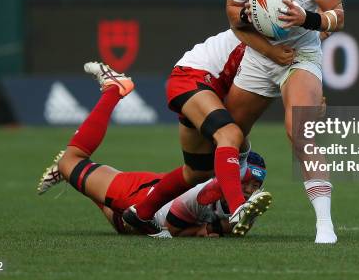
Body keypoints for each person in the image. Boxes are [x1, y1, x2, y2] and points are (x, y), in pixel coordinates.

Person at [37, 62, 272, 237]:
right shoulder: (205, 193)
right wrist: (204, 229)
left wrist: (214, 227)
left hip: (145, 205)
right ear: (232, 172)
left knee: (120, 222)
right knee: (73, 160)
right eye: (248, 181)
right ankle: (113, 88)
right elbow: (171, 226)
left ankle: (69, 172)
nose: (251, 190)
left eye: (255, 186)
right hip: (140, 195)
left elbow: (223, 227)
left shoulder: (245, 210)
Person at [224, 0, 345, 244]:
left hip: (301, 55)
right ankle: (227, 203)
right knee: (227, 133)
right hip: (260, 56)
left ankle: (325, 224)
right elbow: (233, 15)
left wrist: (306, 18)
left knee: (300, 132)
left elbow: (337, 15)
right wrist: (250, 18)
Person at [122, 29, 288, 236]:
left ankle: (141, 213)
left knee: (197, 171)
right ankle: (238, 208)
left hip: (203, 86)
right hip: (194, 77)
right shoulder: (270, 31)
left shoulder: (287, 40)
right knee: (230, 134)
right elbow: (239, 18)